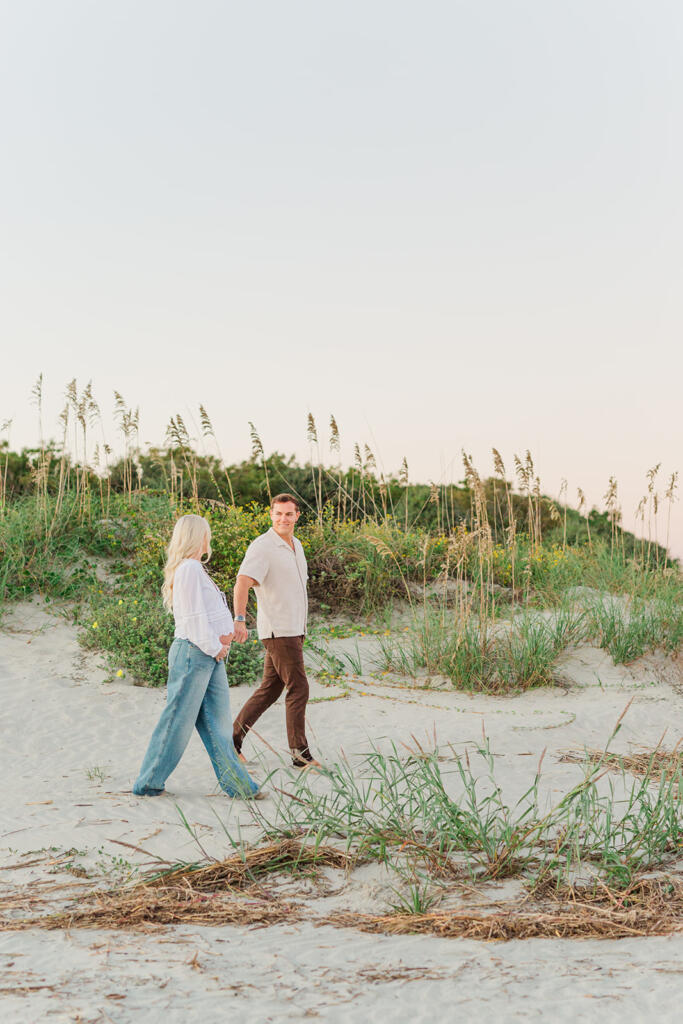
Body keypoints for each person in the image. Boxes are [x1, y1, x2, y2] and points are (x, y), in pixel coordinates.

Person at [132, 514, 262, 799]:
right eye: (206, 533)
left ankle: (239, 787)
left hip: (208, 656)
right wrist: (217, 647)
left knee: (218, 725)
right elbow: (193, 620)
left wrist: (224, 640)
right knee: (176, 722)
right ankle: (148, 782)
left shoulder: (194, 569)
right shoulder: (189, 568)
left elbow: (207, 617)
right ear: (196, 536)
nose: (209, 538)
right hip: (194, 654)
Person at [232, 493, 320, 768]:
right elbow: (242, 583)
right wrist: (239, 619)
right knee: (299, 687)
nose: (283, 519)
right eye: (278, 513)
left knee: (271, 689)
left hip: (295, 628)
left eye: (289, 514)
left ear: (297, 516)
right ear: (271, 515)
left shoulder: (297, 545)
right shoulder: (263, 547)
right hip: (278, 630)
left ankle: (231, 741)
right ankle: (300, 754)